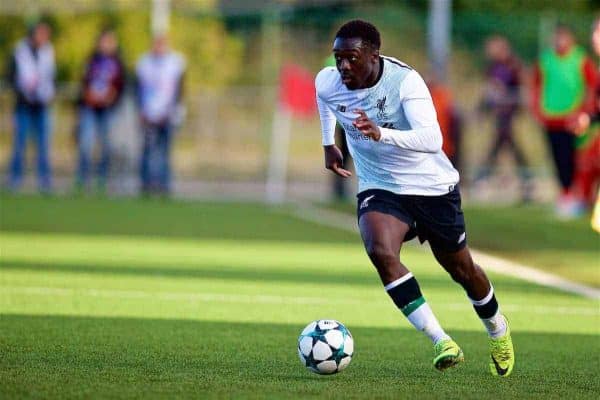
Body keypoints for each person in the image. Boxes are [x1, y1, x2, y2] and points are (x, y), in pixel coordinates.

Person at [316, 20, 514, 376]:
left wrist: (382, 134)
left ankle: (497, 328)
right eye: (338, 58)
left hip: (432, 188)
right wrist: (328, 143)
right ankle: (441, 340)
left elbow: (432, 139)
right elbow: (326, 100)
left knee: (462, 269)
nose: (343, 66)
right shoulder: (328, 80)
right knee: (380, 250)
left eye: (352, 58)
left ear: (374, 56)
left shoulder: (405, 83)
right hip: (381, 186)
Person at [531, 25, 596, 217]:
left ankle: (579, 197)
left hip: (574, 120)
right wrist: (537, 111)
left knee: (577, 159)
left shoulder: (580, 59)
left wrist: (585, 111)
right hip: (552, 119)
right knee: (558, 159)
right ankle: (566, 195)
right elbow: (535, 86)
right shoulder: (545, 60)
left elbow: (592, 86)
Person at [477, 36, 531, 202]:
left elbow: (521, 86)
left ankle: (525, 181)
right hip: (499, 113)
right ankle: (525, 181)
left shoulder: (513, 66)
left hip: (510, 114)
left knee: (505, 144)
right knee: (504, 144)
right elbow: (489, 90)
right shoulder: (493, 67)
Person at [6, 21, 55, 193]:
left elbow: (50, 77)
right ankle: (15, 179)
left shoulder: (48, 51)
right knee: (20, 143)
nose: (44, 37)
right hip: (24, 105)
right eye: (42, 33)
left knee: (43, 144)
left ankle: (45, 181)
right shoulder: (20, 51)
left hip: (42, 105)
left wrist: (48, 93)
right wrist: (22, 90)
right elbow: (10, 76)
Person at [75, 29, 125, 193]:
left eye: (110, 41)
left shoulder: (118, 63)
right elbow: (84, 83)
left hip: (107, 109)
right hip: (90, 108)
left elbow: (121, 86)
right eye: (104, 41)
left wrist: (113, 97)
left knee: (106, 146)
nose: (107, 45)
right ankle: (82, 180)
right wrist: (87, 96)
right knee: (86, 144)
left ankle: (102, 180)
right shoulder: (91, 61)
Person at [135, 35, 185, 196]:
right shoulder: (144, 62)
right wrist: (141, 110)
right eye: (156, 44)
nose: (159, 47)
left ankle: (164, 186)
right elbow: (138, 88)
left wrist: (173, 110)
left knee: (164, 151)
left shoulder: (175, 63)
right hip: (148, 113)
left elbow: (180, 88)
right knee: (147, 149)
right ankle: (146, 185)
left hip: (167, 114)